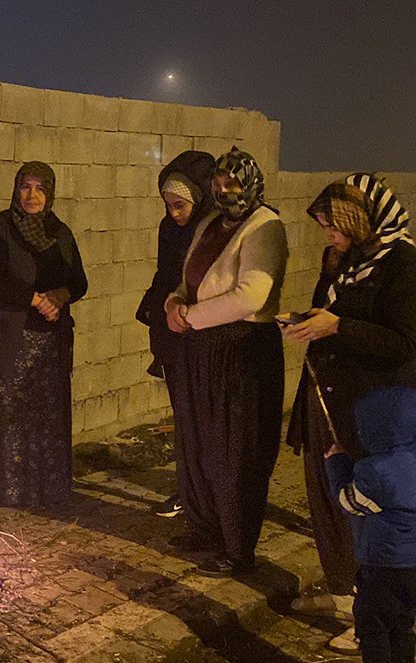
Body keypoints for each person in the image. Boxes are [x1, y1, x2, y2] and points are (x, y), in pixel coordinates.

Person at [282, 173, 416, 652]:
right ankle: (343, 593)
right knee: (328, 499)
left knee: (368, 510)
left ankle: (375, 619)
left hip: (373, 412)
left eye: (333, 225)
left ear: (360, 218)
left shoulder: (404, 263)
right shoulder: (346, 260)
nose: (328, 235)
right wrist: (308, 320)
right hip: (326, 398)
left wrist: (337, 326)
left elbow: (403, 342)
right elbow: (331, 314)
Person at [163, 147, 288, 577]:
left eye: (233, 183)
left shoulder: (264, 226)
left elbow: (252, 294)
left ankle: (237, 548)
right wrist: (174, 302)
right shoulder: (210, 225)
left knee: (234, 450)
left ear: (250, 184)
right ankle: (205, 527)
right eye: (218, 185)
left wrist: (190, 317)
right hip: (201, 346)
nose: (224, 191)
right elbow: (187, 278)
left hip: (241, 350)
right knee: (197, 443)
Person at [0, 161, 88, 507]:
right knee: (8, 417)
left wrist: (59, 297)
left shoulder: (60, 233)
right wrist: (35, 299)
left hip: (49, 344)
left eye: (40, 188)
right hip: (9, 342)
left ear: (49, 193)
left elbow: (78, 281)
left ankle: (44, 491)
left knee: (43, 418)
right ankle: (5, 492)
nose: (32, 195)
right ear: (16, 189)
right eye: (25, 187)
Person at [325, 387, 416, 663]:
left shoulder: (378, 470)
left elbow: (349, 501)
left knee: (373, 629)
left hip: (385, 567)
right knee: (402, 626)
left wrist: (336, 463)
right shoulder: (412, 457)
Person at [135, 149, 217, 518]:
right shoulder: (169, 229)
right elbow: (165, 274)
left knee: (207, 421)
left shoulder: (215, 227)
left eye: (180, 204)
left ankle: (211, 494)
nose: (173, 213)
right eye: (168, 204)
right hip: (173, 334)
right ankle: (187, 489)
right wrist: (158, 306)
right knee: (184, 418)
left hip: (206, 336)